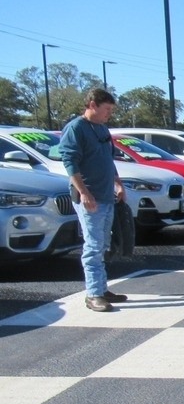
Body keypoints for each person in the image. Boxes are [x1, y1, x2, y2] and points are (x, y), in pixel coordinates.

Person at [58, 88, 127, 312]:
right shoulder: (76, 128)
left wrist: (118, 183)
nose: (109, 114)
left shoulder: (102, 129)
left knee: (103, 244)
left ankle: (101, 288)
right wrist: (84, 192)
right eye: (106, 109)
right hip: (90, 197)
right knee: (94, 245)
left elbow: (108, 159)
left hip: (106, 195)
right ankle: (93, 294)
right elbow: (70, 162)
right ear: (92, 105)